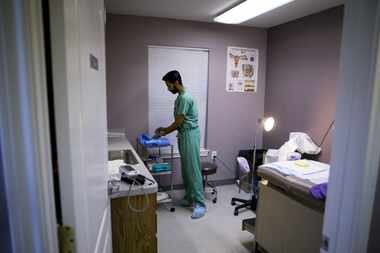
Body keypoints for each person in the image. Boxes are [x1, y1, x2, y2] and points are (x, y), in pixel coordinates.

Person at [155, 70, 206, 219]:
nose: (168, 88)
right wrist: (165, 130)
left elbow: (178, 122)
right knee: (186, 169)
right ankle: (190, 197)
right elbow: (178, 122)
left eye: (168, 85)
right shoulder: (180, 98)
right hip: (184, 135)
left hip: (190, 134)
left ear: (176, 83)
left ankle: (200, 203)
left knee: (193, 169)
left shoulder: (185, 98)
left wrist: (164, 131)